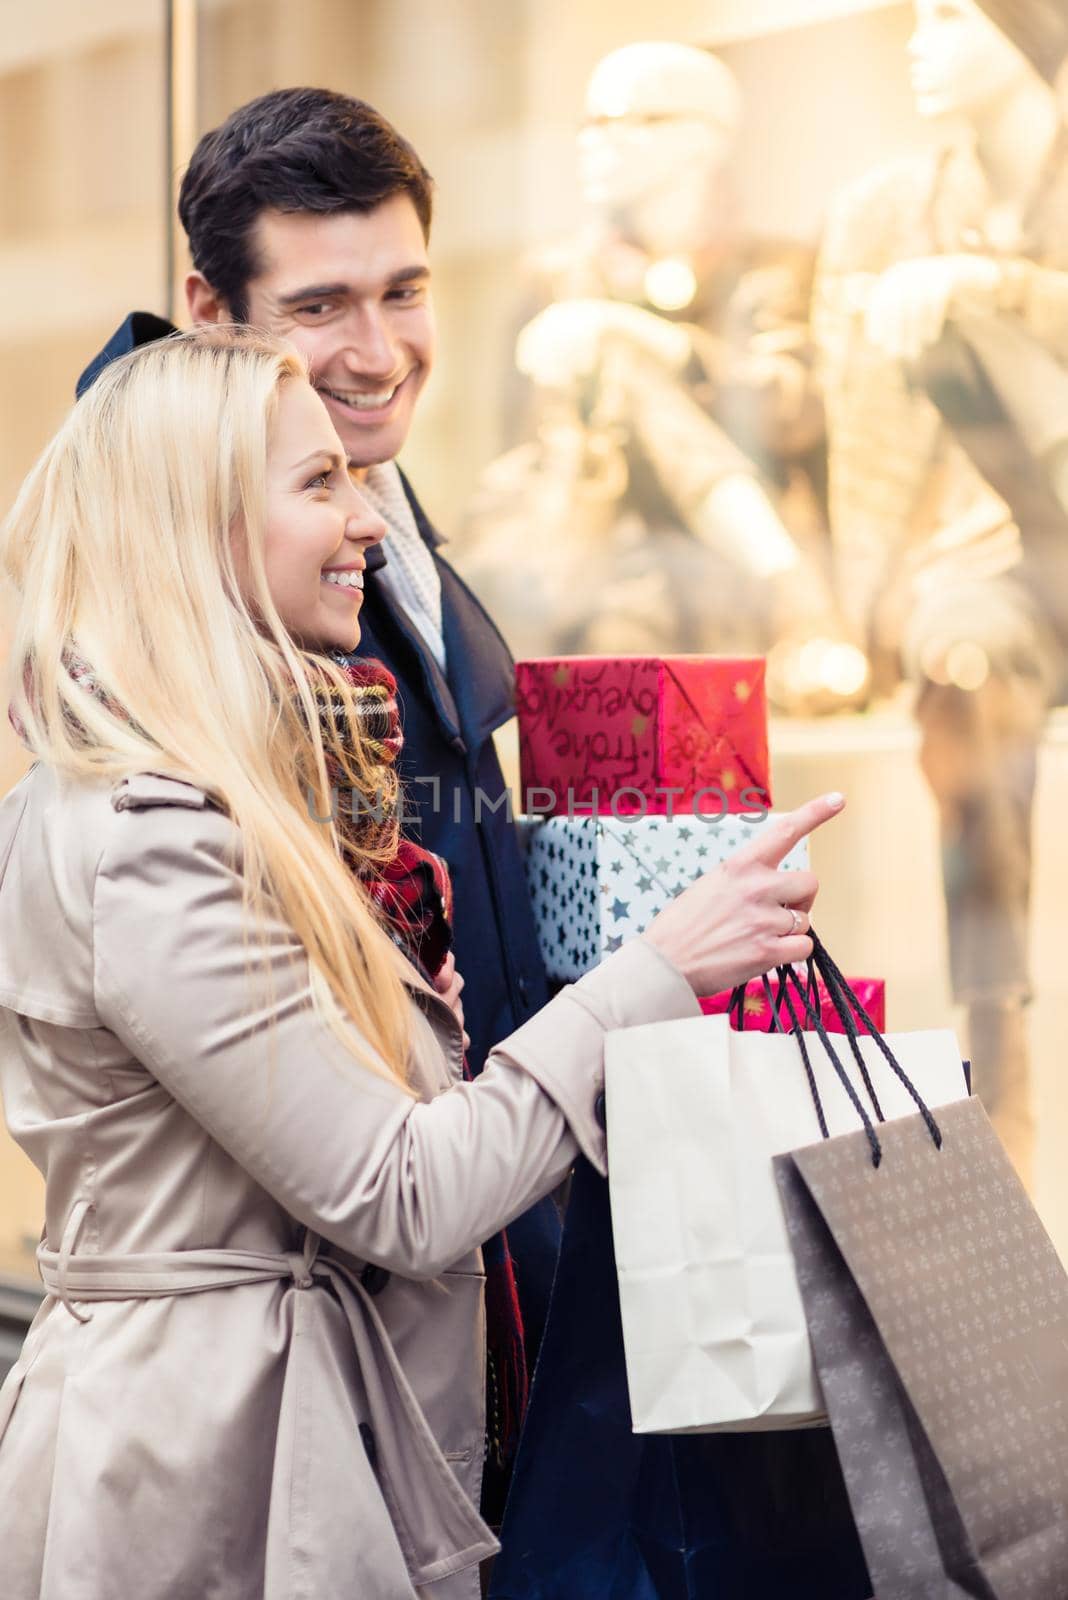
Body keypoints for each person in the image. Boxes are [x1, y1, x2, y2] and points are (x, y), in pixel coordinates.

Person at [0, 327, 841, 1598]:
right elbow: (406, 1198)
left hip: (259, 1441)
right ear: (197, 523)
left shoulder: (204, 805)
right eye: (317, 484)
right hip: (208, 1479)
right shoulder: (151, 842)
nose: (367, 526)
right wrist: (660, 969)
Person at [77, 89, 562, 1437]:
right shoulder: (180, 584)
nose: (375, 350)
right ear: (209, 310)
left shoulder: (386, 508)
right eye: (319, 306)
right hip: (330, 1333)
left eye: (404, 290)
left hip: (499, 1243)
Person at [814, 0, 1068, 1183]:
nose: (917, 34)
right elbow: (854, 446)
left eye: (948, 12)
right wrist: (861, 618)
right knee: (960, 672)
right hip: (998, 579)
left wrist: (997, 288)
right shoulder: (880, 214)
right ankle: (999, 1067)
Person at [460, 41, 840, 680]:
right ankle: (793, 588)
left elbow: (791, 413)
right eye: (591, 122)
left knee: (616, 355)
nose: (596, 141)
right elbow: (525, 447)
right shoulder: (555, 279)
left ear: (705, 140)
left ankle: (786, 592)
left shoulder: (768, 271)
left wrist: (649, 340)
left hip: (718, 578)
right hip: (592, 565)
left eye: (631, 120)